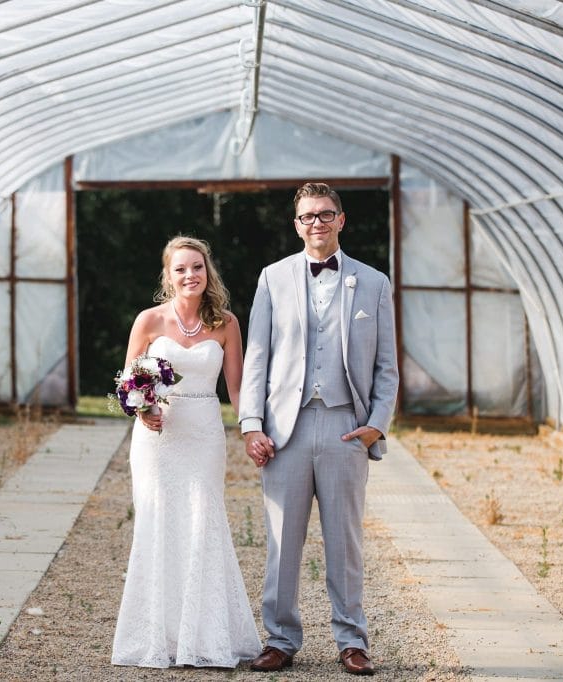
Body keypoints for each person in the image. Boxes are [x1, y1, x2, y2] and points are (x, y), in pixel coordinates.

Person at [239, 183, 399, 675]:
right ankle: (281, 639)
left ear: (341, 220)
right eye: (308, 216)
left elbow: (387, 367)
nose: (317, 223)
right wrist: (250, 424)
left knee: (344, 540)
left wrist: (374, 426)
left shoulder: (373, 283)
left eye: (326, 215)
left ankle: (352, 640)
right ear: (297, 224)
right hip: (284, 429)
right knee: (281, 541)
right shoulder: (273, 278)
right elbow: (257, 357)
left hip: (345, 427)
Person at [111, 236, 262, 669]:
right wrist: (142, 410)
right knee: (159, 523)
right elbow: (127, 383)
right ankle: (159, 637)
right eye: (180, 269)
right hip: (158, 440)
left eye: (197, 267)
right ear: (168, 275)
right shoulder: (149, 320)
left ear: (207, 271)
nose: (190, 275)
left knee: (203, 521)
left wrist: (250, 430)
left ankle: (206, 638)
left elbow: (236, 390)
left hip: (204, 433)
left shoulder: (227, 323)